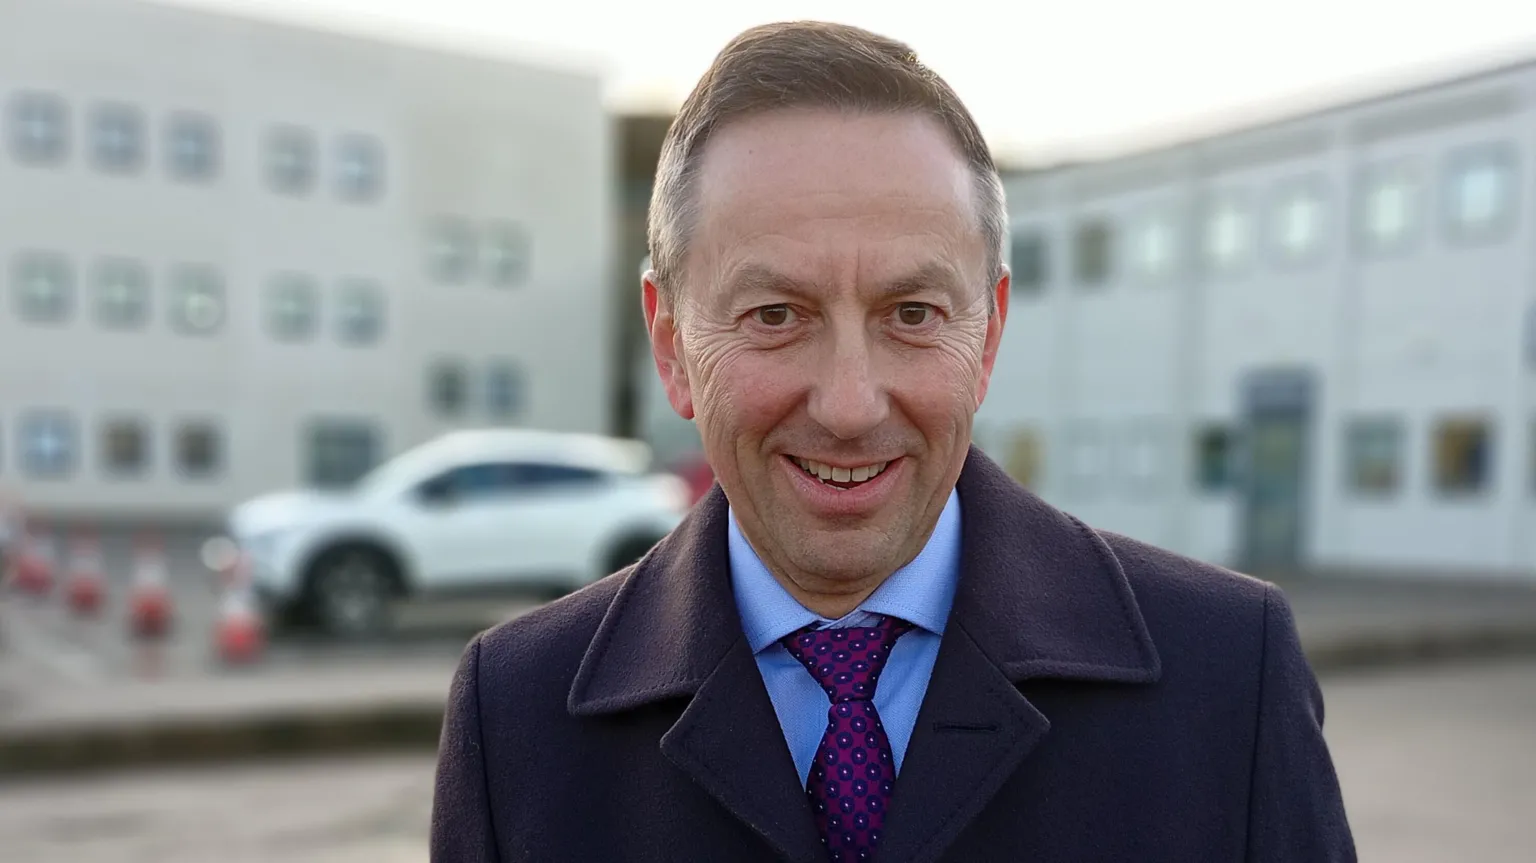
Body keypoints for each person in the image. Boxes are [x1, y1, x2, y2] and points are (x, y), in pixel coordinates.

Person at [431, 20, 1356, 863]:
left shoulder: (1229, 678)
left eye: (911, 313)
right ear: (671, 341)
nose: (848, 403)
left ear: (987, 334)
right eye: (776, 314)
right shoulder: (515, 719)